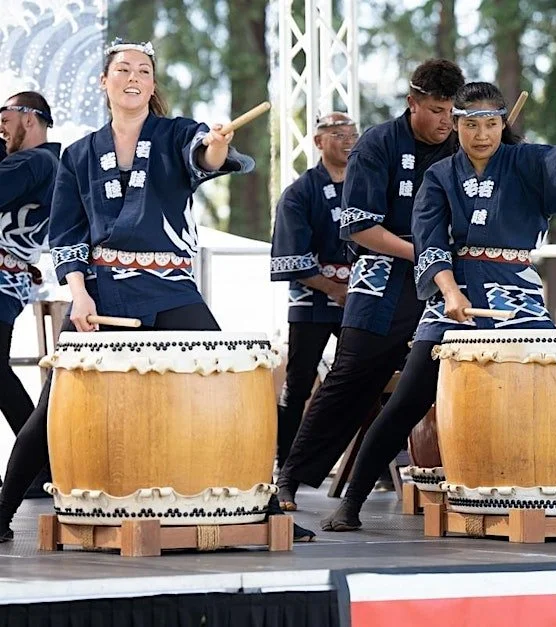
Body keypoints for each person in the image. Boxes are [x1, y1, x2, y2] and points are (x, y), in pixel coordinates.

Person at [0, 39, 314, 542]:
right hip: (101, 292)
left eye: (144, 71)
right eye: (123, 69)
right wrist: (79, 294)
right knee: (53, 406)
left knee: (226, 387)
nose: (133, 77)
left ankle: (266, 508)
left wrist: (216, 143)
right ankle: (2, 512)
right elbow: (67, 233)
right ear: (104, 82)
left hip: (169, 287)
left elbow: (206, 157)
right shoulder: (79, 154)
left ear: (151, 85)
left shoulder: (176, 133)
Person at [320, 81, 556, 531]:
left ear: (502, 124)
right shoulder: (440, 176)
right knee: (408, 399)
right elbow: (430, 242)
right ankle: (351, 503)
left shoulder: (523, 161)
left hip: (517, 293)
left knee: (542, 394)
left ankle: (546, 496)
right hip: (454, 290)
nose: (482, 135)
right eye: (472, 125)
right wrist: (450, 293)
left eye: (491, 124)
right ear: (456, 125)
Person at [276, 59, 465, 510]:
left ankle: (455, 480)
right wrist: (424, 253)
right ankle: (290, 478)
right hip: (383, 275)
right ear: (412, 103)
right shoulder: (377, 144)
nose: (446, 121)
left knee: (447, 378)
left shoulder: (464, 142)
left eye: (451, 112)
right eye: (436, 110)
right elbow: (359, 227)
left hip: (447, 280)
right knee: (350, 377)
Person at [269, 112, 357, 471]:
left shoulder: (367, 186)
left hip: (359, 295)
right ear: (319, 141)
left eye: (352, 134)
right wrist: (334, 288)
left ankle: (375, 463)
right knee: (299, 381)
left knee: (370, 374)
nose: (348, 141)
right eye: (338, 135)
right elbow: (291, 256)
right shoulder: (300, 193)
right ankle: (287, 460)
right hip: (312, 299)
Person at [0, 92, 60, 448]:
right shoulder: (45, 163)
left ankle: (38, 457)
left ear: (28, 118)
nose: (1, 129)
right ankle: (39, 457)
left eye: (5, 120)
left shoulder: (35, 161)